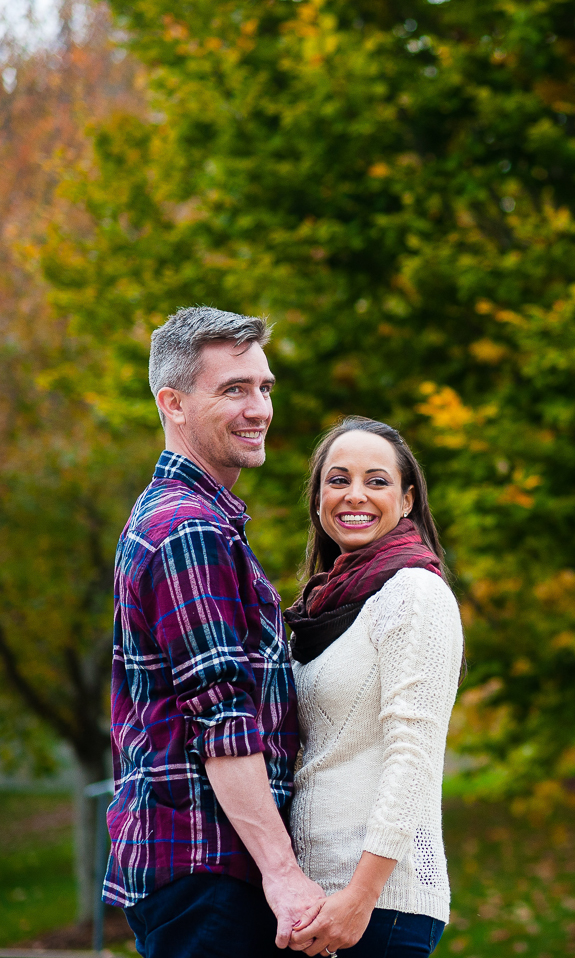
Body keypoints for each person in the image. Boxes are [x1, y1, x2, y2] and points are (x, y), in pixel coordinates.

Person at [107, 306, 324, 957]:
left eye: (264, 387)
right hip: (209, 872)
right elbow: (222, 718)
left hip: (206, 873)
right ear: (172, 403)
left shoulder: (199, 518)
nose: (259, 408)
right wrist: (283, 875)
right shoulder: (189, 528)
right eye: (234, 389)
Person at [283, 417, 463, 958]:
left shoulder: (414, 594)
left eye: (376, 481)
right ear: (317, 500)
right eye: (337, 480)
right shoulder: (323, 606)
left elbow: (415, 756)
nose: (354, 495)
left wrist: (361, 895)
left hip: (379, 905)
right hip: (317, 902)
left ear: (407, 501)